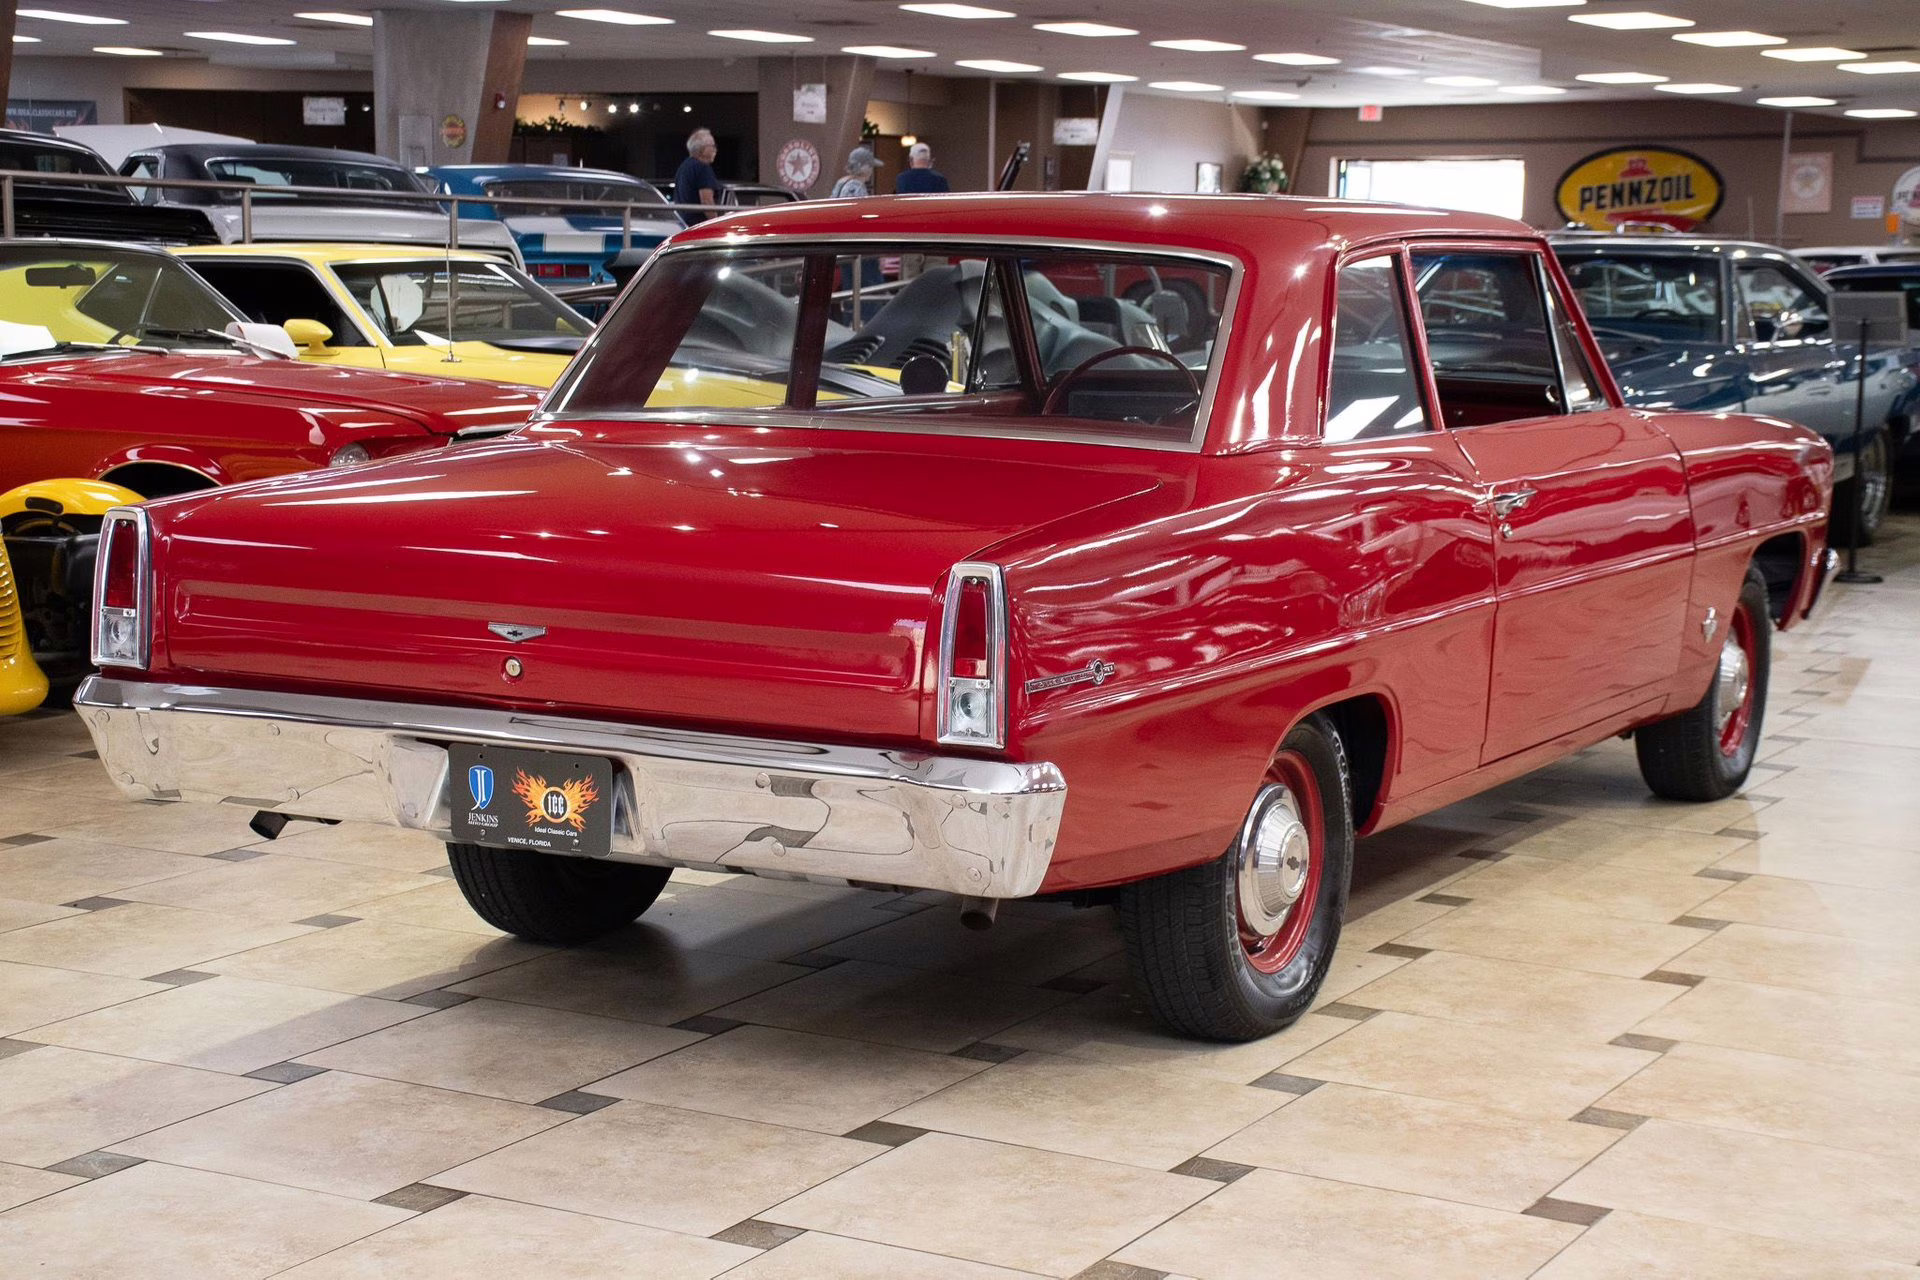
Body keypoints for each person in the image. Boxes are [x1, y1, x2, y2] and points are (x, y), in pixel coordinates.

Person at [672, 129, 721, 223]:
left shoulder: (684, 166)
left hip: (684, 223)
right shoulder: (703, 167)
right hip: (699, 224)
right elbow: (707, 202)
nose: (715, 149)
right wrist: (716, 222)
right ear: (702, 149)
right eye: (713, 146)